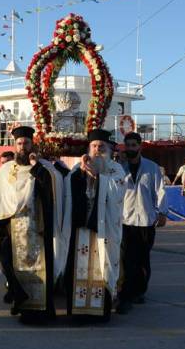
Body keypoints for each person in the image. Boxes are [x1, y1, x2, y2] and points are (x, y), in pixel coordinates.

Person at [0, 126, 70, 324]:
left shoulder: (44, 167)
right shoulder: (6, 170)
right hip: (13, 230)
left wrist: (35, 166)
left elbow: (51, 192)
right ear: (14, 145)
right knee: (12, 266)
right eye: (19, 143)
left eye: (26, 143)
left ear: (33, 144)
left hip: (38, 229)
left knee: (40, 271)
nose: (23, 147)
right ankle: (20, 303)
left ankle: (41, 312)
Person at [64, 129, 125, 321]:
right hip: (81, 229)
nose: (97, 150)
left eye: (101, 146)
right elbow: (67, 190)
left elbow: (118, 194)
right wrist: (82, 175)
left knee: (103, 267)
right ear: (89, 148)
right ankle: (78, 313)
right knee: (77, 269)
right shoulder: (77, 168)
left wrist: (100, 176)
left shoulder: (116, 169)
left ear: (108, 149)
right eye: (94, 146)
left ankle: (101, 312)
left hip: (104, 228)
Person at [117, 132, 167, 314]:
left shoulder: (152, 168)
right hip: (125, 220)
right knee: (126, 259)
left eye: (133, 145)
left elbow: (160, 191)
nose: (130, 148)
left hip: (146, 220)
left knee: (143, 259)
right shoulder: (119, 168)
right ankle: (126, 293)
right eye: (127, 145)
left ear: (140, 146)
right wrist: (119, 163)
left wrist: (162, 212)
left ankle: (140, 290)